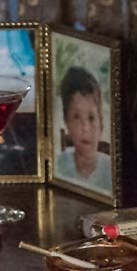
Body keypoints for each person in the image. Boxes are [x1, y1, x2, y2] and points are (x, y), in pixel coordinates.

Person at [53, 66, 111, 194]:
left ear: (101, 124)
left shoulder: (111, 172)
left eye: (91, 118)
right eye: (76, 117)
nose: (85, 128)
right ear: (66, 122)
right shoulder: (57, 168)